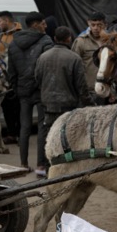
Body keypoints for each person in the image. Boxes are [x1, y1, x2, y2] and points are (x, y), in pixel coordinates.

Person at [35, 25, 91, 173]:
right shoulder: (74, 58)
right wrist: (90, 104)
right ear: (69, 39)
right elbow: (82, 87)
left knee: (49, 136)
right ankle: (67, 169)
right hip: (68, 106)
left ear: (55, 38)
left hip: (48, 105)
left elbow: (37, 79)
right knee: (68, 138)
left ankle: (49, 168)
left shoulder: (43, 57)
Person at [7, 12, 53, 175]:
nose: (45, 26)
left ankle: (23, 164)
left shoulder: (13, 43)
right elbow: (48, 68)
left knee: (24, 127)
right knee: (42, 127)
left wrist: (17, 88)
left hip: (23, 91)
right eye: (43, 23)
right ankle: (41, 165)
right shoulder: (46, 41)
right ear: (36, 24)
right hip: (41, 90)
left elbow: (11, 71)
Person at [0, 11, 21, 145]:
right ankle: (11, 134)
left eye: (0, 21)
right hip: (3, 79)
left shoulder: (20, 35)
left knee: (19, 108)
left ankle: (21, 135)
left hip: (18, 78)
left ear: (7, 21)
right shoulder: (0, 37)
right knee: (6, 106)